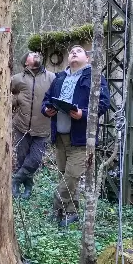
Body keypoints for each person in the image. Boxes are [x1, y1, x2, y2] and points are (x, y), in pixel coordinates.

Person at [41, 45, 110, 226]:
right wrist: (46, 109)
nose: (73, 53)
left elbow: (103, 103)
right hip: (60, 137)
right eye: (71, 51)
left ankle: (57, 209)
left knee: (71, 177)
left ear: (87, 58)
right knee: (64, 175)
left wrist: (83, 113)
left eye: (78, 51)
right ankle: (71, 212)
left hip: (81, 138)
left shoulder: (94, 77)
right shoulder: (59, 78)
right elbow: (46, 100)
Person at [11, 52, 55, 199]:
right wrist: (16, 99)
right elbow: (5, 95)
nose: (35, 54)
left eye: (36, 54)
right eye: (31, 54)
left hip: (43, 128)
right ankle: (27, 187)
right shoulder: (17, 79)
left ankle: (16, 180)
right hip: (21, 126)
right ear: (25, 63)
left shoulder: (51, 77)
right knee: (22, 158)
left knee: (35, 159)